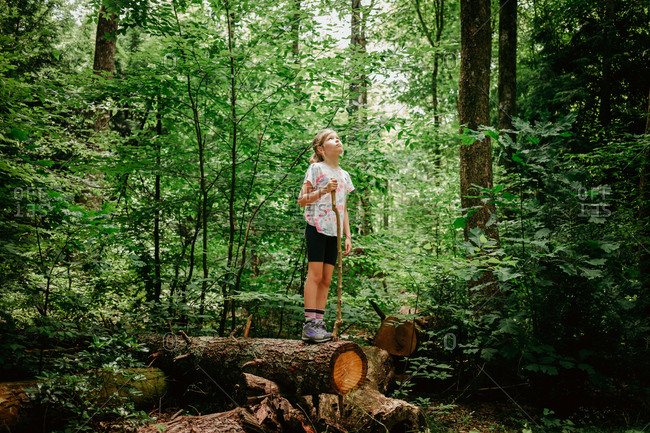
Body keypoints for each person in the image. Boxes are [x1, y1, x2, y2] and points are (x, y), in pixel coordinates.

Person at [297, 128, 354, 343]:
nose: (337, 140)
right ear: (321, 149)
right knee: (316, 275)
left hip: (335, 232)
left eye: (338, 137)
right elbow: (301, 200)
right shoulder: (316, 168)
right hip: (317, 227)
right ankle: (309, 325)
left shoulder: (345, 175)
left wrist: (348, 236)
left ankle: (319, 324)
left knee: (327, 279)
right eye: (331, 138)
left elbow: (344, 208)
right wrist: (323, 190)